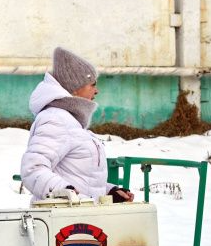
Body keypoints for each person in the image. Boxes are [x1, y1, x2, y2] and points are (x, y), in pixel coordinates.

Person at [20, 47, 135, 203]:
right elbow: (33, 169)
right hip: (63, 215)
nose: (97, 91)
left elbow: (79, 178)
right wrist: (64, 192)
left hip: (81, 214)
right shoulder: (55, 119)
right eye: (92, 84)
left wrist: (109, 192)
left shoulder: (70, 121)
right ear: (74, 88)